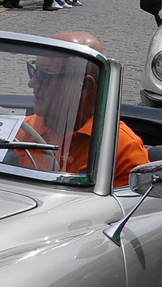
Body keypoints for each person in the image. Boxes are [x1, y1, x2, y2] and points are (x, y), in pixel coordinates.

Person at [18, 31, 147, 182]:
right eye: (33, 71)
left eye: (45, 76)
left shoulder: (121, 149)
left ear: (84, 87)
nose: (32, 83)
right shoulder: (21, 131)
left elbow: (131, 204)